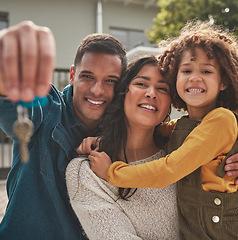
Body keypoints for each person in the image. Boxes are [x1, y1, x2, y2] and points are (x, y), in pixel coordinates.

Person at [0, 20, 238, 239]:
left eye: (161, 88)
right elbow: (12, 103)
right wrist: (8, 69)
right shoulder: (57, 121)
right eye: (88, 77)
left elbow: (218, 197)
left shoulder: (174, 146)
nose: (98, 89)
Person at [89, 22, 238, 239]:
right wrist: (100, 139)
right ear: (175, 79)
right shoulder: (185, 124)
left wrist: (112, 172)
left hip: (225, 230)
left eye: (207, 71)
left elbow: (168, 170)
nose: (194, 77)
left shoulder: (221, 119)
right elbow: (153, 131)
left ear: (224, 81)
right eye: (186, 70)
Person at [66, 56, 179, 239]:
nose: (151, 93)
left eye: (162, 88)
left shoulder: (182, 155)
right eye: (141, 84)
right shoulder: (86, 173)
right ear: (122, 93)